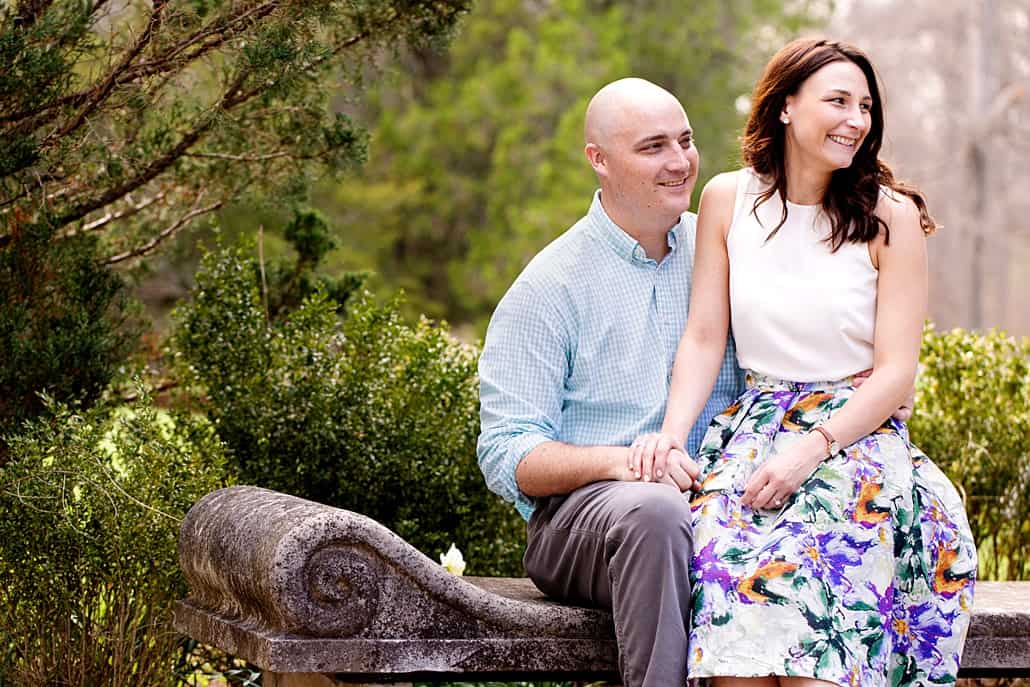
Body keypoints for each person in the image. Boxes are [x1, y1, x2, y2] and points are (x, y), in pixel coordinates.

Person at [631, 39, 977, 686]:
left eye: (866, 105)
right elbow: (706, 335)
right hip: (753, 431)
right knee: (733, 630)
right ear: (787, 105)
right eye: (838, 100)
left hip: (854, 434)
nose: (856, 119)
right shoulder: (727, 200)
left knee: (814, 630)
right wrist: (673, 434)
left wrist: (810, 448)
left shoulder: (889, 217)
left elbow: (896, 374)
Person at [477, 77, 741, 687]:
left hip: (721, 497)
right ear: (598, 160)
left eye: (686, 140)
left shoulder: (725, 250)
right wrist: (624, 463)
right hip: (587, 522)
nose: (679, 163)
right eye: (653, 147)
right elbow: (506, 453)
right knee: (654, 511)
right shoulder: (549, 287)